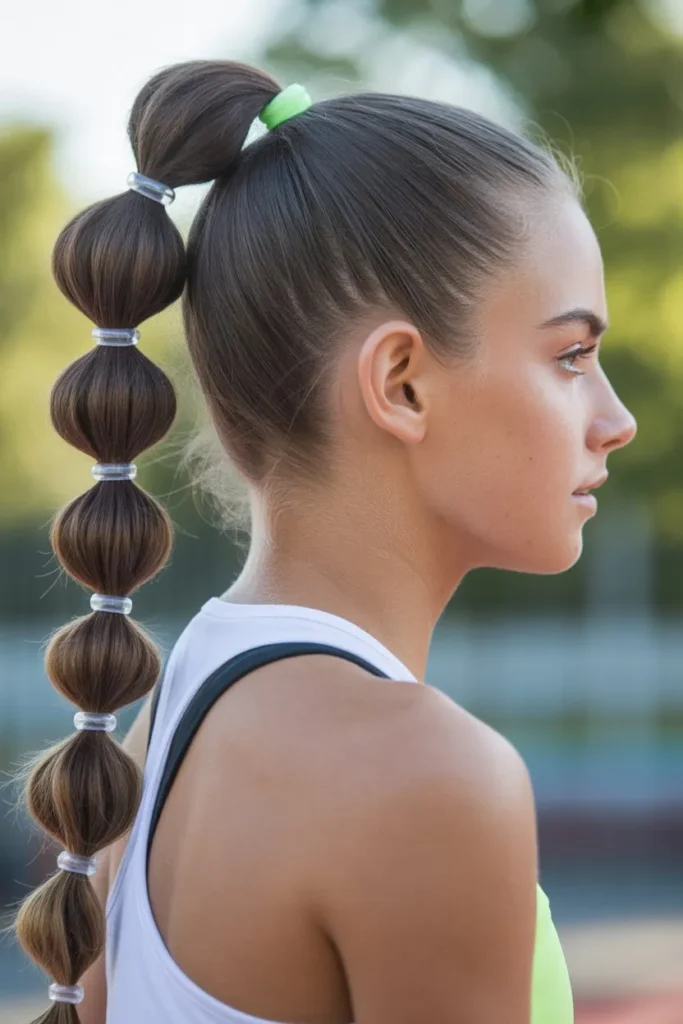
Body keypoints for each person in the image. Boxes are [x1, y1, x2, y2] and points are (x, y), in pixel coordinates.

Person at [13, 58, 636, 1024]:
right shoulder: (427, 778)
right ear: (401, 384)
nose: (615, 419)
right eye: (569, 356)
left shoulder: (154, 733)